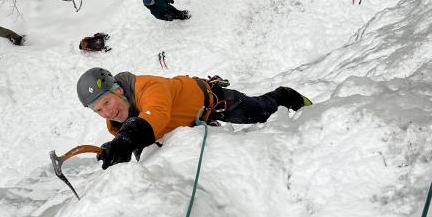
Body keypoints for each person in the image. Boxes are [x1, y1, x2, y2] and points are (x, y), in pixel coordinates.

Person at [76, 68, 312, 169]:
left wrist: (125, 141)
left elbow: (155, 115)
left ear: (118, 90)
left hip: (215, 102)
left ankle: (285, 95)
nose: (107, 112)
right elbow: (144, 146)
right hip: (195, 123)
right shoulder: (117, 125)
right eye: (98, 110)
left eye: (107, 102)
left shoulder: (149, 87)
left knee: (261, 113)